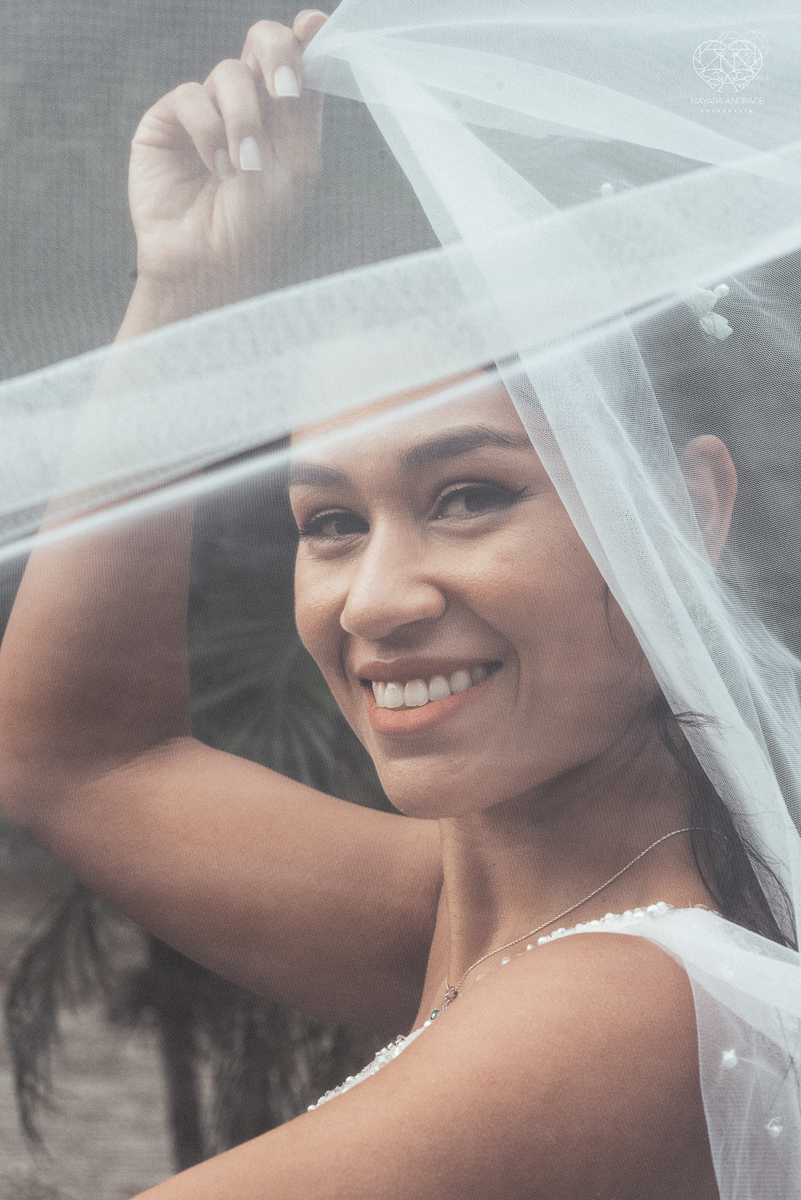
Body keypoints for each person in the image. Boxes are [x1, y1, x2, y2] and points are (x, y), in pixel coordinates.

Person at [1, 5, 801, 1198]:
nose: (374, 601)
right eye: (328, 522)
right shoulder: (472, 913)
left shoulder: (623, 1009)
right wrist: (190, 287)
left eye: (471, 496)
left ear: (685, 512)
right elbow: (76, 759)